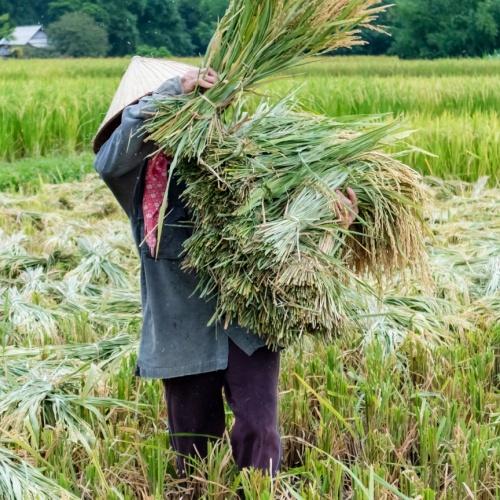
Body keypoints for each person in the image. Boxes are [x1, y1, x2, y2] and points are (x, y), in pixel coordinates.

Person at [93, 58, 358, 479]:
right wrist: (169, 91)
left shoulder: (238, 159)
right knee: (193, 448)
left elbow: (286, 235)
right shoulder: (138, 178)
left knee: (259, 432)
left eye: (194, 102)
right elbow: (108, 161)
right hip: (181, 328)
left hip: (248, 322)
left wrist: (331, 220)